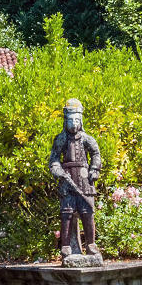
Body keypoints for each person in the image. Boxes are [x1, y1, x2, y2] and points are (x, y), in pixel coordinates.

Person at [49, 98, 102, 263]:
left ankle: (91, 245)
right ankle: (66, 246)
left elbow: (96, 154)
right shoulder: (61, 139)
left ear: (81, 120)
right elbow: (54, 159)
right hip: (67, 180)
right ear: (66, 120)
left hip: (85, 180)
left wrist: (94, 170)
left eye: (76, 120)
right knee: (67, 213)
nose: (74, 123)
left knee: (88, 212)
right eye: (71, 120)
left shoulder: (87, 138)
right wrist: (57, 170)